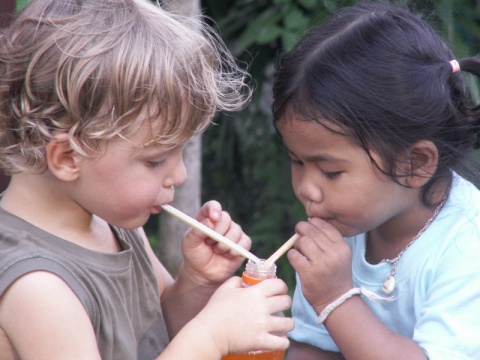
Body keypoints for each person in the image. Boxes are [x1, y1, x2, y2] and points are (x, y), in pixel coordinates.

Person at [0, 0, 294, 359]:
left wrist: (194, 282)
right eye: (156, 160)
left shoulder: (114, 223)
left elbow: (161, 331)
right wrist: (211, 337)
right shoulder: (38, 286)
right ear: (67, 157)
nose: (180, 175)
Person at [271, 2, 480, 359]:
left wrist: (336, 299)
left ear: (414, 164)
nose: (306, 187)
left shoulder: (466, 246)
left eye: (330, 171)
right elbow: (311, 347)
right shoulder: (344, 230)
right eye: (296, 161)